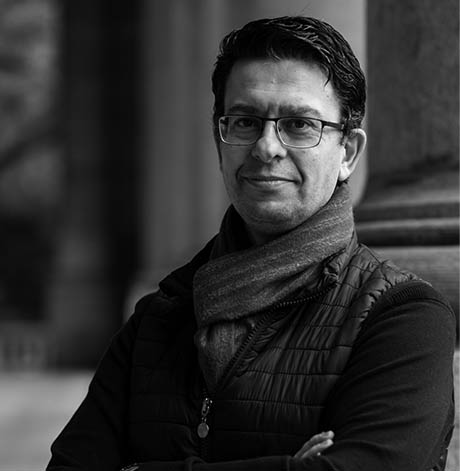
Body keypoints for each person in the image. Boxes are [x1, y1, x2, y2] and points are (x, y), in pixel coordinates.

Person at [47, 16, 456, 471]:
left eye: (299, 124)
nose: (266, 147)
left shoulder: (403, 317)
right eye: (245, 121)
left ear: (348, 152)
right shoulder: (158, 320)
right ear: (219, 140)